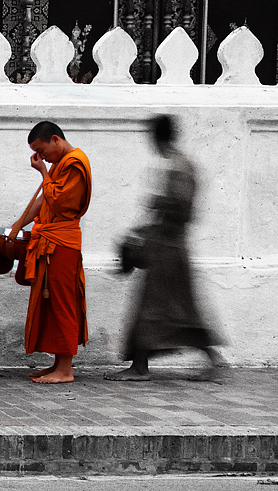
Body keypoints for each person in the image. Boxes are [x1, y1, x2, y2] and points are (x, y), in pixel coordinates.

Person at [106, 114, 226, 382]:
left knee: (152, 308)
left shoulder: (179, 167)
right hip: (168, 246)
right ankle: (212, 359)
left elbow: (183, 210)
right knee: (178, 310)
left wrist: (158, 202)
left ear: (156, 137)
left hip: (168, 249)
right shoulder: (178, 164)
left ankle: (140, 368)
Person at [7, 121, 92, 384]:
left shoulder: (76, 163)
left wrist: (43, 172)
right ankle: (58, 364)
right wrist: (18, 226)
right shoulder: (60, 166)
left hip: (63, 244)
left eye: (42, 151)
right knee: (51, 303)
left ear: (56, 140)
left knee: (63, 302)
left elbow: (57, 200)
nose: (41, 157)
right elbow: (44, 199)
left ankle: (66, 370)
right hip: (51, 242)